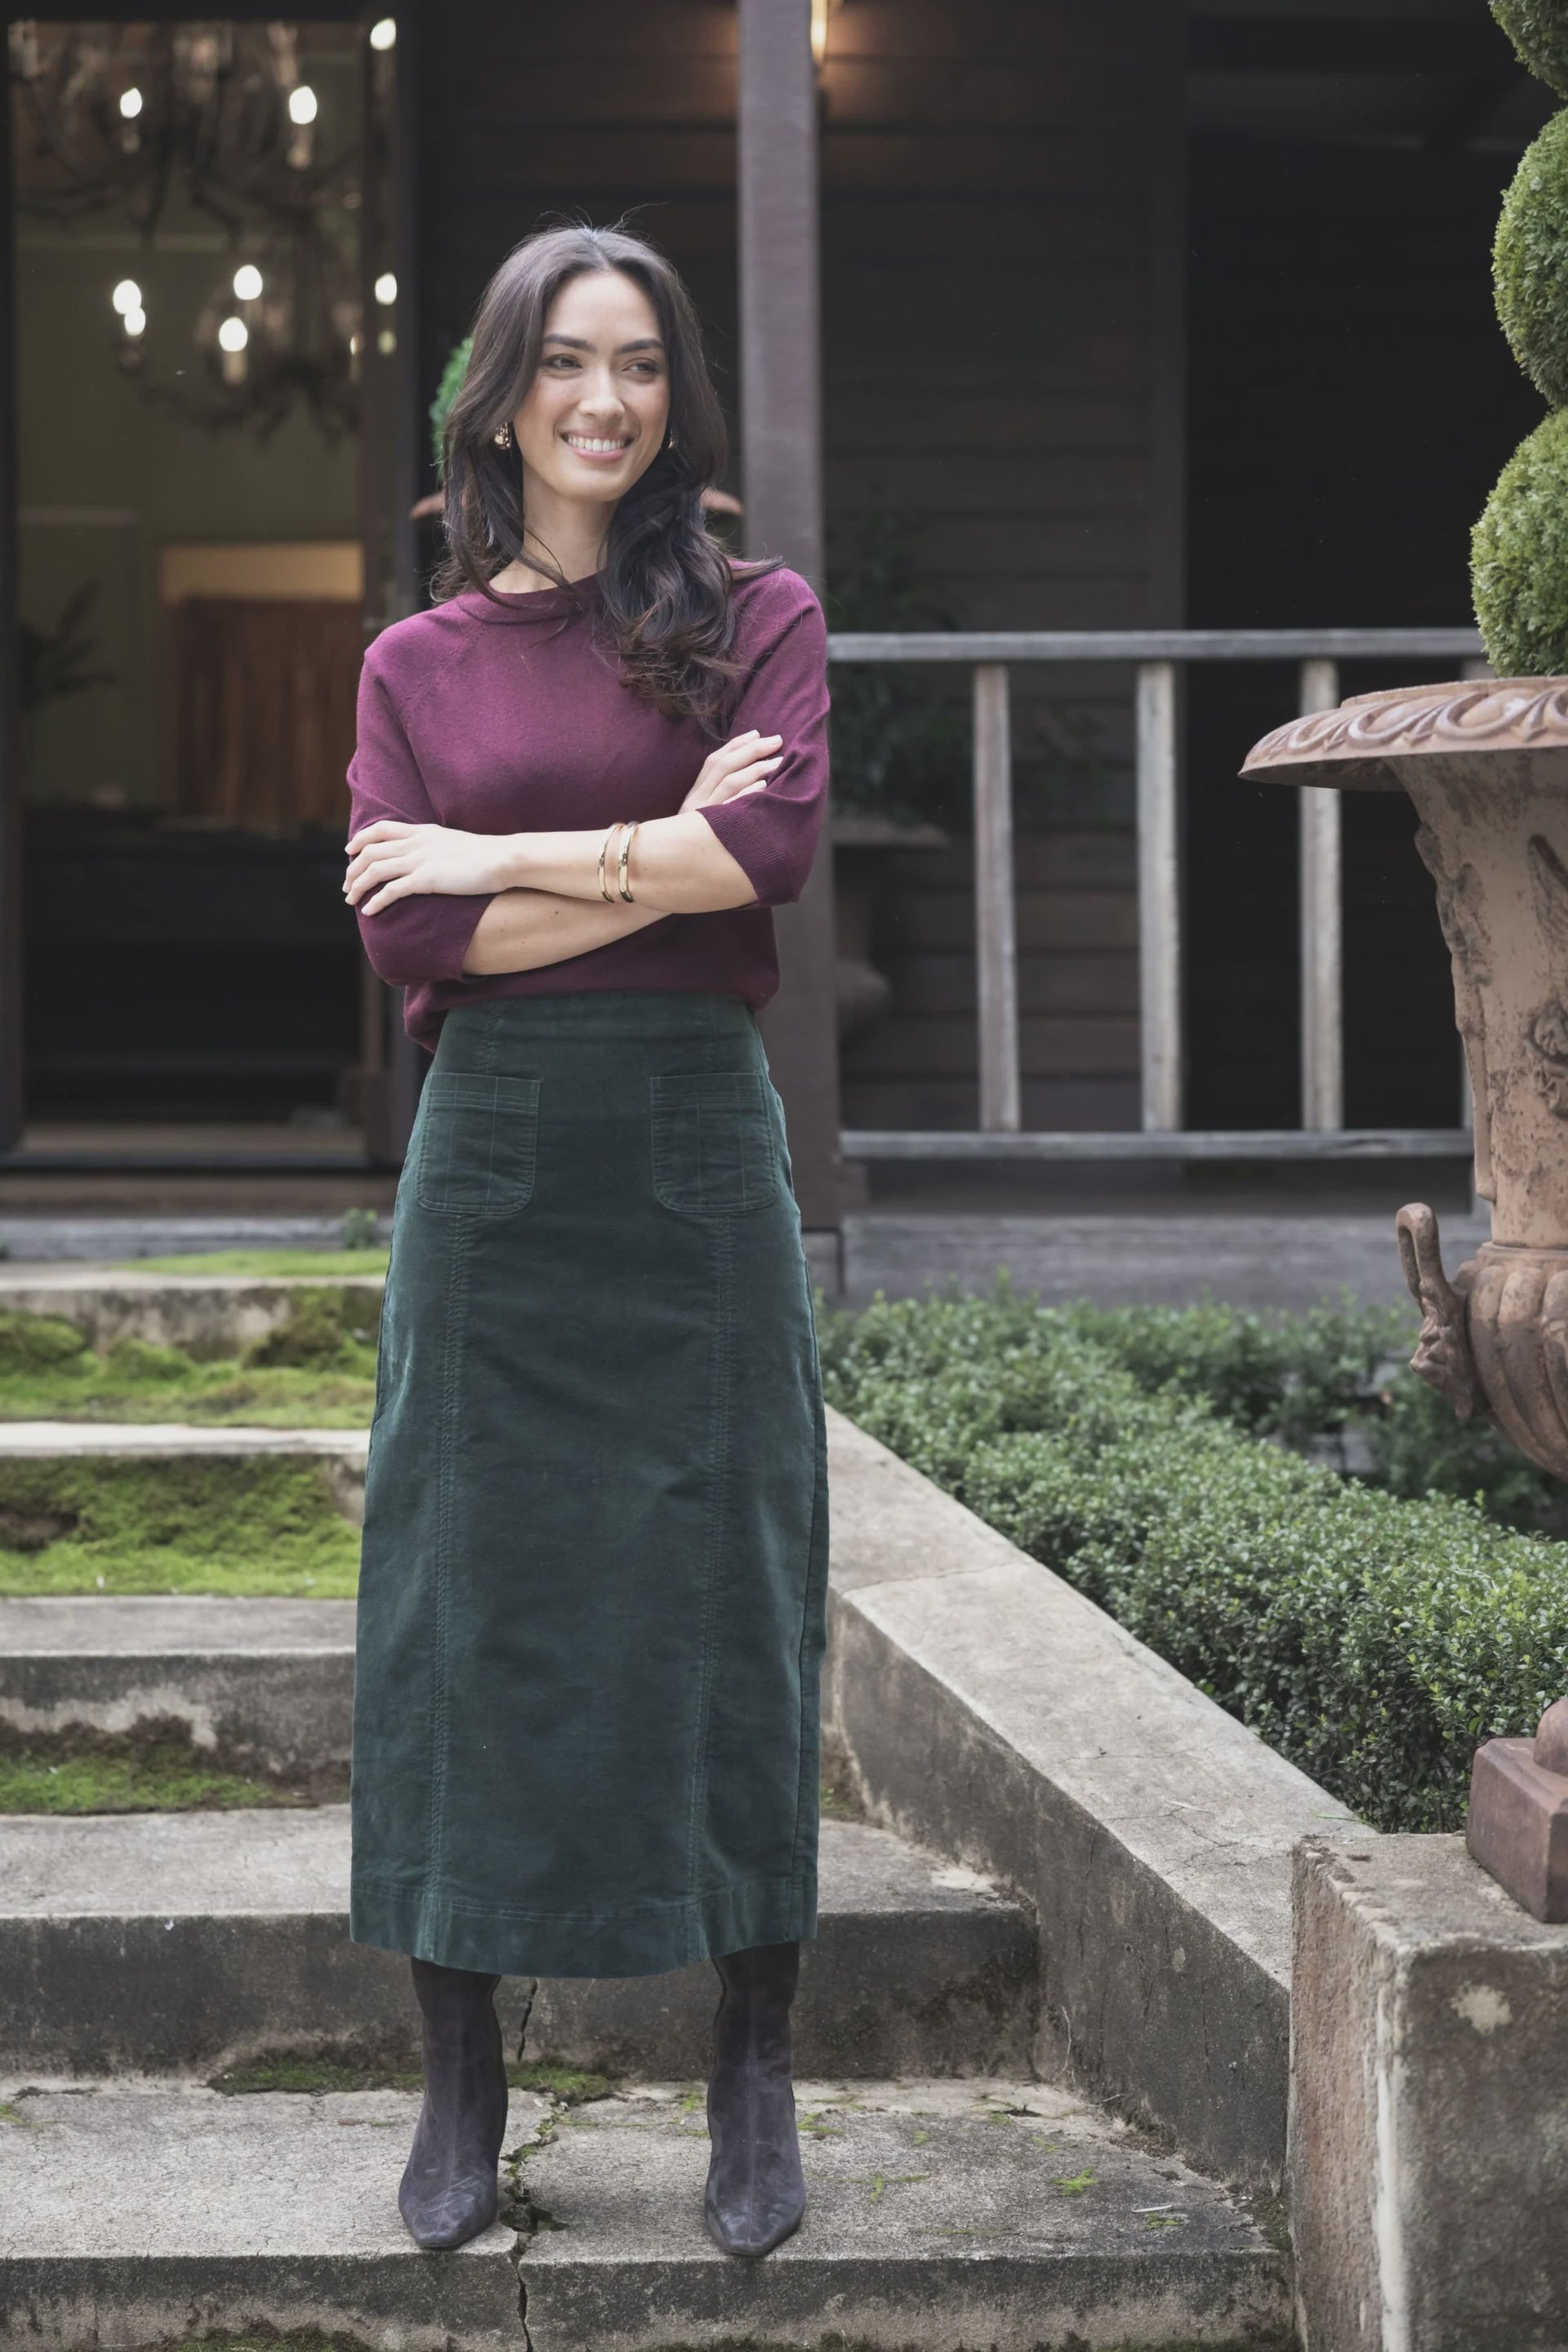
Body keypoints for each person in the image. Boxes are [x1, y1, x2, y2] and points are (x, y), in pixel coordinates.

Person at [341, 221, 831, 2265]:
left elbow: (768, 856)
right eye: (566, 363)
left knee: (737, 1586)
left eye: (640, 364)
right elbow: (406, 934)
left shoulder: (759, 616)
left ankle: (751, 2065)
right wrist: (655, 867)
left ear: (675, 394)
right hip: (497, 1162)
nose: (605, 400)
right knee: (461, 1599)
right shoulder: (413, 665)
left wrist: (507, 855)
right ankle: (463, 2069)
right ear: (503, 394)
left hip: (699, 1160)